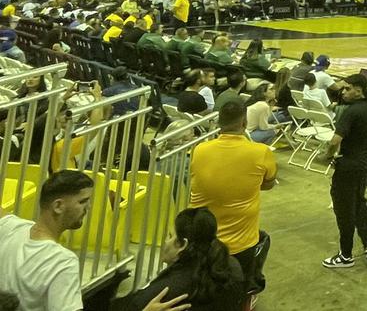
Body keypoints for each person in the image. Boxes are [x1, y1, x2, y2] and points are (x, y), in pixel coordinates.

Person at [190, 101, 276, 292]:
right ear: (244, 123)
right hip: (240, 245)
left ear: (219, 122)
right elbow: (269, 183)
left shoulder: (199, 149)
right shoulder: (261, 152)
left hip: (201, 237)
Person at [111, 207, 244, 311]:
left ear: (182, 245)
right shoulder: (231, 266)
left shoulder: (165, 292)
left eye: (170, 236)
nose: (166, 242)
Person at [0, 170, 92, 311]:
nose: (88, 208)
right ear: (58, 206)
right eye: (83, 201)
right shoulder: (63, 262)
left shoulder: (10, 227)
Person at [322, 74, 367, 269]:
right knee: (359, 202)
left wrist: (327, 155)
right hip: (365, 163)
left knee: (344, 210)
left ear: (358, 90)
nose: (343, 92)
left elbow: (335, 141)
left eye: (347, 88)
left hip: (348, 165)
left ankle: (345, 255)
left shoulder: (350, 112)